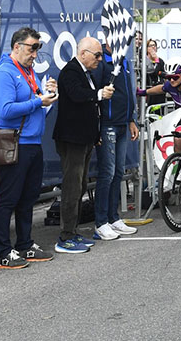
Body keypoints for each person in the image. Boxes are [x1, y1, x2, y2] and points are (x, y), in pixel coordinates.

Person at [0, 27, 58, 268]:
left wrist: (47, 95)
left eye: (38, 49)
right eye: (32, 48)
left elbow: (38, 105)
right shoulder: (4, 73)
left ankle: (25, 244)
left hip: (32, 142)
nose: (35, 55)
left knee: (28, 198)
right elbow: (5, 109)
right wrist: (38, 100)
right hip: (14, 142)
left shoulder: (28, 72)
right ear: (17, 46)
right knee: (8, 199)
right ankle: (2, 250)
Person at [53, 36, 108, 254]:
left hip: (84, 138)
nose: (99, 59)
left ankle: (72, 232)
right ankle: (65, 236)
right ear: (83, 53)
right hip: (72, 139)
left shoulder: (85, 73)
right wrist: (99, 94)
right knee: (72, 187)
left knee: (81, 186)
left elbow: (89, 109)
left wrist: (94, 135)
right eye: (96, 55)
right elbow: (78, 96)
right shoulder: (70, 72)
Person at [92, 31, 140, 241]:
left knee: (118, 172)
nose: (126, 42)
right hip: (108, 124)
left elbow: (127, 92)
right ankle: (101, 221)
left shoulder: (124, 61)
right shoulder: (102, 61)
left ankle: (113, 217)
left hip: (122, 122)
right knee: (107, 173)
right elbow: (95, 92)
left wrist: (131, 119)